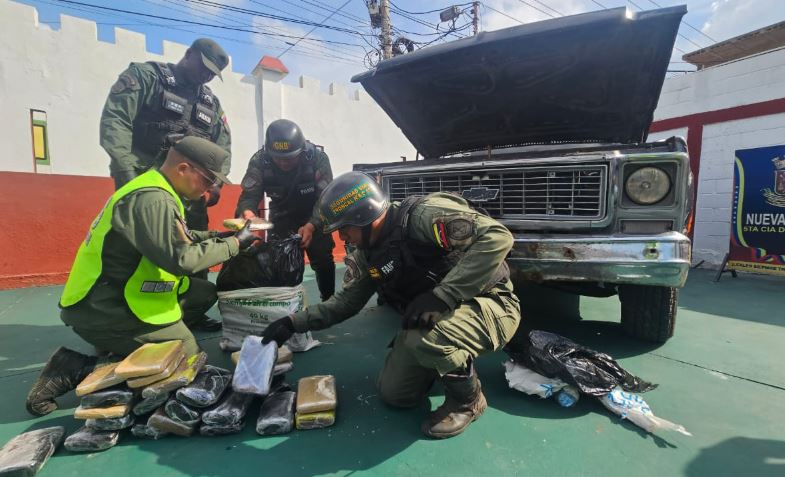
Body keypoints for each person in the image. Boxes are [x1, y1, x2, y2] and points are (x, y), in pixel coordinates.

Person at [260, 172, 521, 439]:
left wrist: (443, 295)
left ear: (364, 217)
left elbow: (498, 236)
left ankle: (469, 401)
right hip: (437, 318)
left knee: (427, 338)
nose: (343, 238)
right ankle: (445, 360)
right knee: (396, 395)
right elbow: (346, 302)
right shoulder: (367, 254)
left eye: (344, 228)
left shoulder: (422, 217)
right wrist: (293, 323)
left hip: (491, 305)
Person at [25, 137, 259, 417]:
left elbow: (175, 237)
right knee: (186, 361)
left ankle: (130, 341)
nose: (210, 190)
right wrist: (237, 244)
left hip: (119, 294)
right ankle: (77, 367)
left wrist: (219, 237)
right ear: (184, 168)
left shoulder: (158, 187)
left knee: (203, 294)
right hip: (104, 306)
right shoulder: (153, 199)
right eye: (208, 181)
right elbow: (181, 259)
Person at [99, 37, 231, 234]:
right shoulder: (147, 77)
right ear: (188, 54)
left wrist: (214, 184)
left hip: (190, 198)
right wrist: (127, 176)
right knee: (137, 250)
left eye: (212, 73)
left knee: (191, 253)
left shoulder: (211, 103)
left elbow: (223, 148)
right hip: (144, 184)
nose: (206, 75)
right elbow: (116, 121)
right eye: (204, 67)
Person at [235, 119, 336, 301]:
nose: (283, 163)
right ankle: (285, 302)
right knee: (280, 261)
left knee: (323, 260)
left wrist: (312, 226)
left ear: (301, 150)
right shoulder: (260, 161)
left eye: (290, 157)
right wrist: (248, 214)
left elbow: (326, 199)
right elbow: (249, 196)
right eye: (278, 158)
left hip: (315, 213)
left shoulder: (317, 158)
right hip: (282, 215)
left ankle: (328, 299)